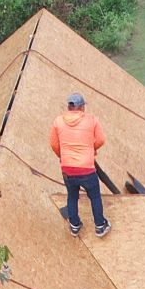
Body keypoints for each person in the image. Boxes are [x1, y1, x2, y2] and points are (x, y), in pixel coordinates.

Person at [49, 93, 109, 238]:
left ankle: (75, 226)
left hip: (67, 168)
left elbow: (53, 144)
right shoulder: (92, 120)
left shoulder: (58, 121)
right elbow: (101, 140)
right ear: (81, 107)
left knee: (72, 196)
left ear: (69, 107)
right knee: (94, 197)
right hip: (87, 168)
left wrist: (62, 156)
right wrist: (91, 148)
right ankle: (100, 226)